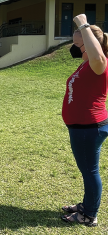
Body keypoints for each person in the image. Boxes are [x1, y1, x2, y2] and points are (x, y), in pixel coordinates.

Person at [60, 14, 108, 227]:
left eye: (77, 44)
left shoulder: (99, 63)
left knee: (90, 171)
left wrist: (83, 24)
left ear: (89, 44)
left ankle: (89, 215)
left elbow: (98, 58)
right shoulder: (87, 64)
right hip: (82, 127)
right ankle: (86, 206)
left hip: (89, 128)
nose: (74, 48)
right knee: (87, 170)